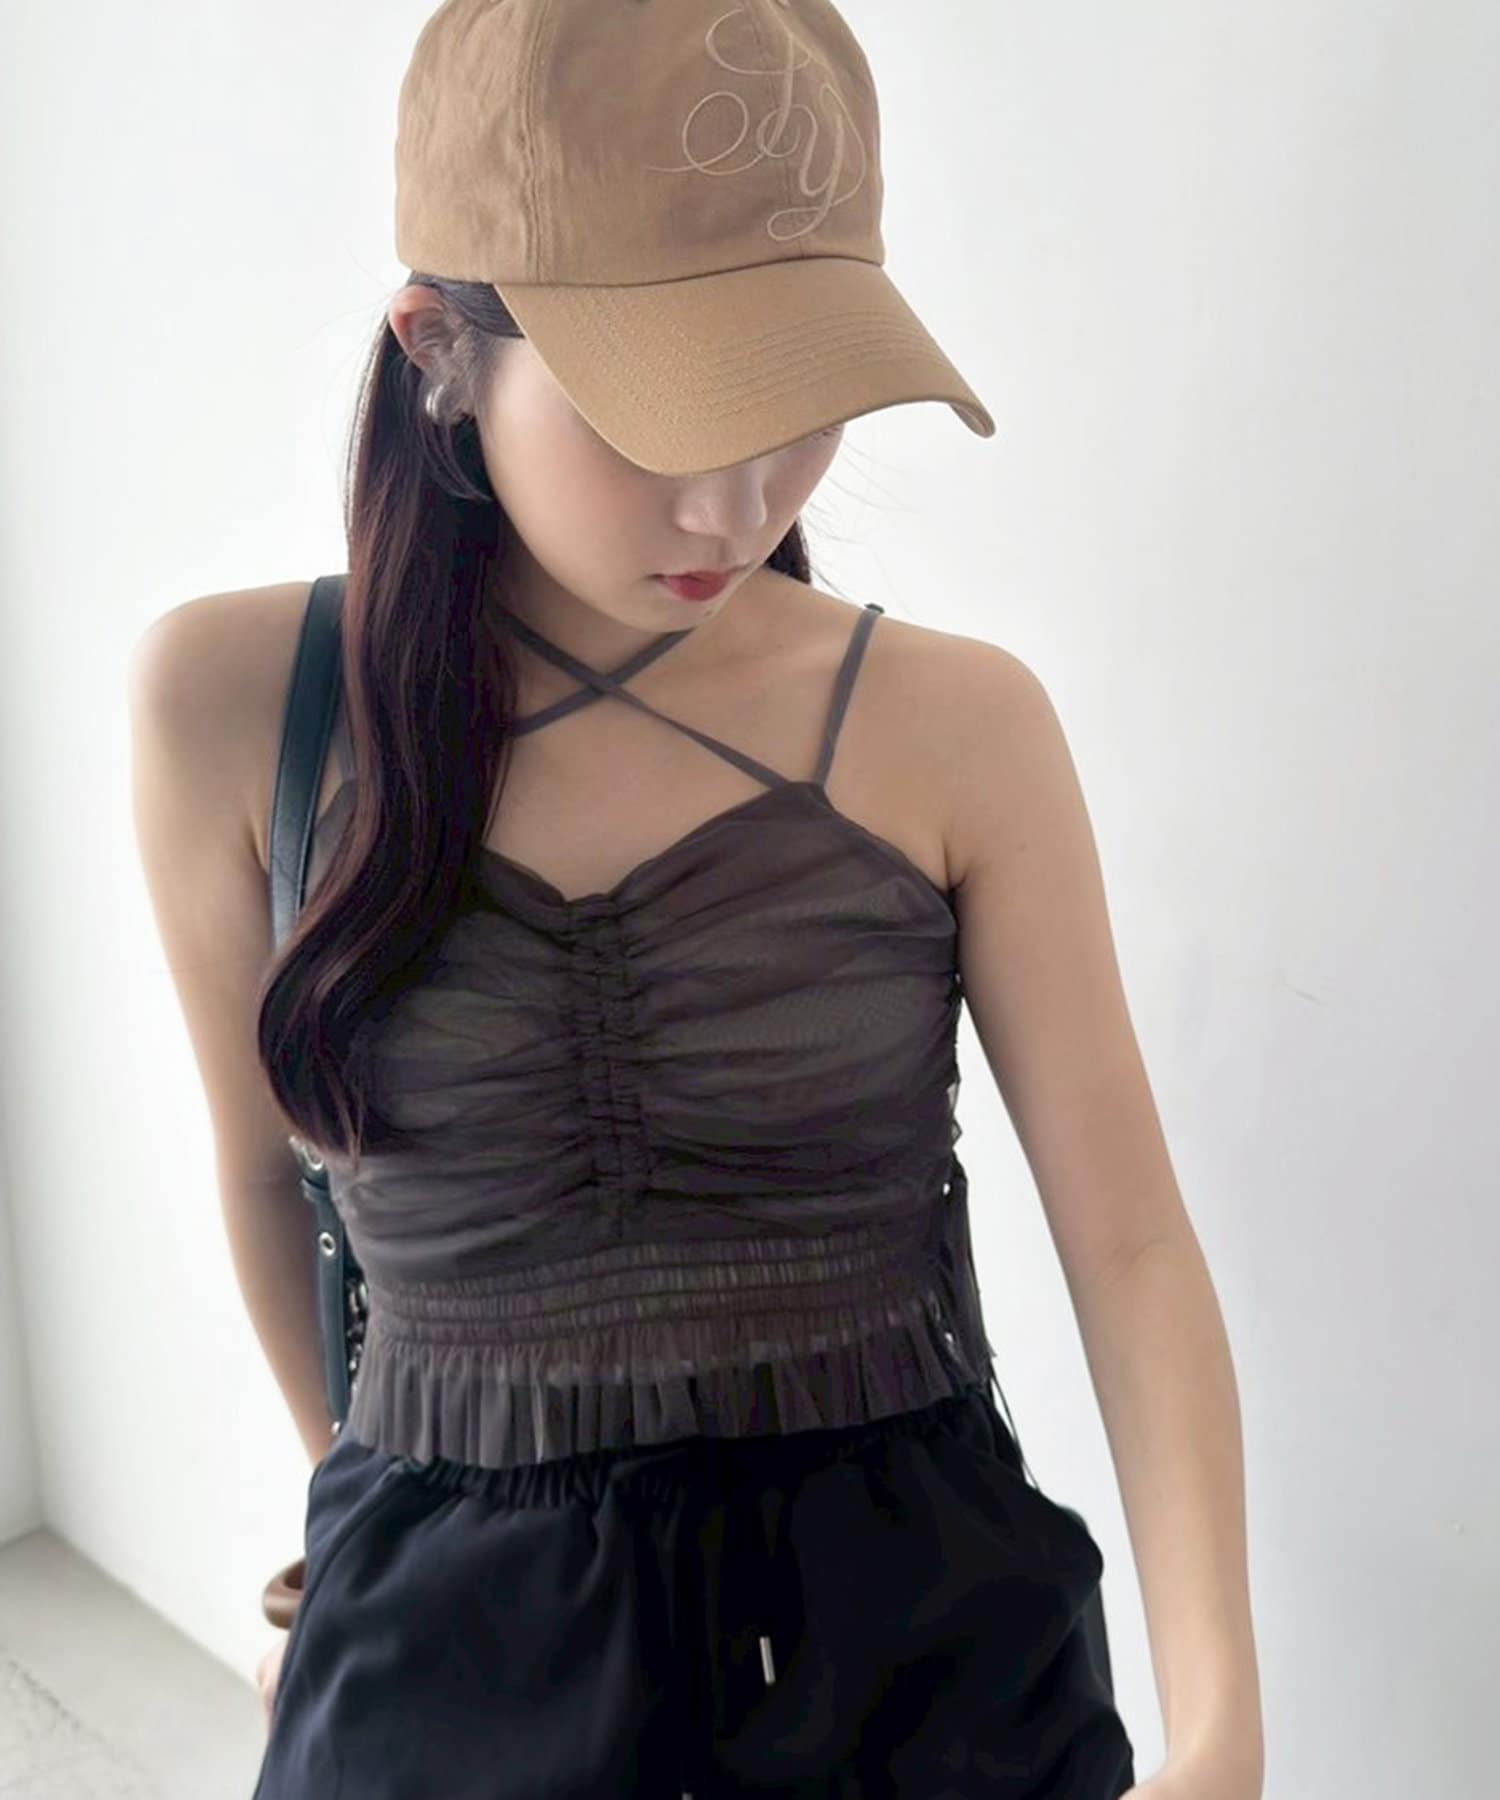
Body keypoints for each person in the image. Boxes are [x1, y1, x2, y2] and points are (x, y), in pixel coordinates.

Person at [128, 2, 1263, 1795]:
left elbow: (1128, 1245)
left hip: (921, 1668)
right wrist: (343, 1542)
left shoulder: (958, 728)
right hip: (444, 1656)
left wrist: (1222, 1735)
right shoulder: (232, 711)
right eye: (661, 417)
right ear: (439, 349)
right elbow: (269, 1176)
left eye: (799, 405)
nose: (738, 503)